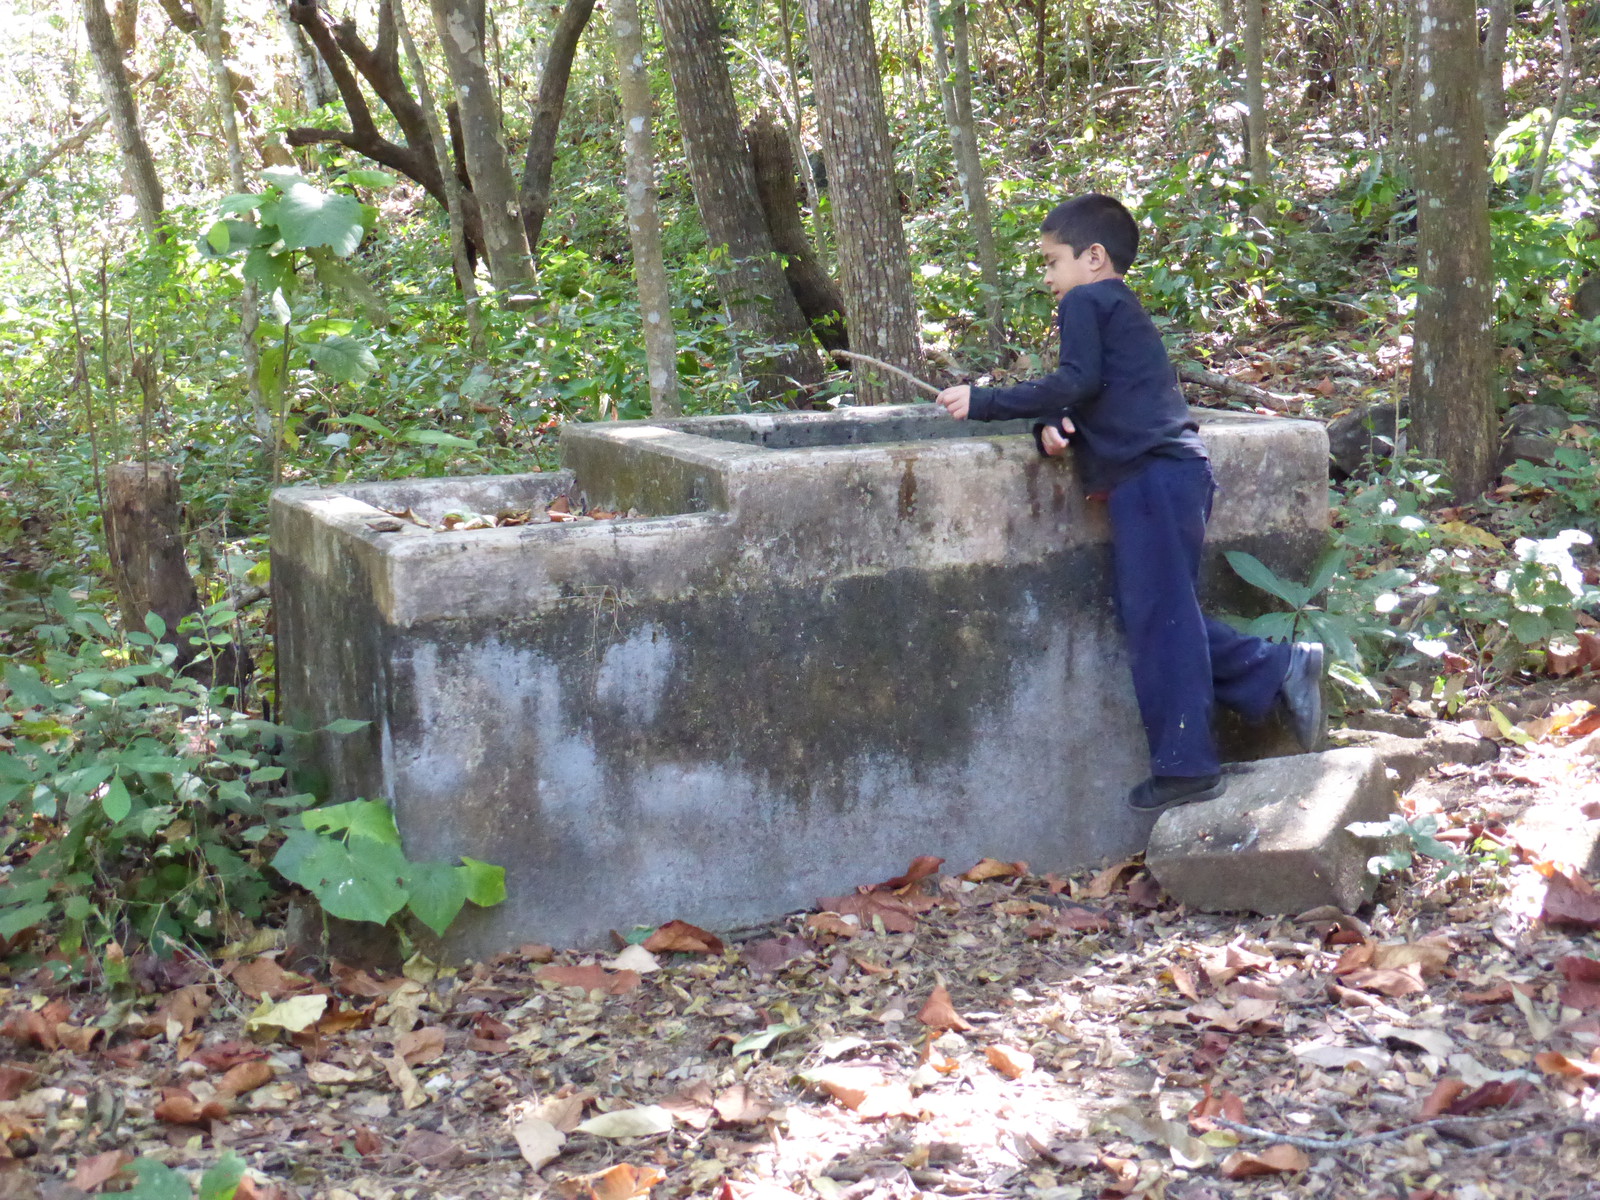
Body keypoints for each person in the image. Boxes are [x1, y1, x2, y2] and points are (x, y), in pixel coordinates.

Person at [935, 193, 1325, 814]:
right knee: (1157, 611)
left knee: (1159, 617)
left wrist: (985, 401)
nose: (1049, 278)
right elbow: (1089, 392)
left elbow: (1077, 380)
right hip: (1164, 477)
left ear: (1093, 258)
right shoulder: (1118, 307)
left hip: (1155, 477)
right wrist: (1048, 424)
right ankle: (1274, 668)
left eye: (1052, 262)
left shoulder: (1090, 299)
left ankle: (1188, 764)